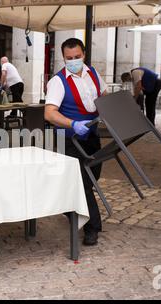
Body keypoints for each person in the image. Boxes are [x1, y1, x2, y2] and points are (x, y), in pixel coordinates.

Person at [44, 38, 107, 246]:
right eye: (68, 58)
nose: (73, 61)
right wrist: (73, 124)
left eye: (77, 57)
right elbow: (49, 113)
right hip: (69, 139)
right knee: (83, 183)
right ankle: (92, 228)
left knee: (92, 177)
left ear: (84, 54)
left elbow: (104, 97)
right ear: (63, 58)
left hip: (92, 137)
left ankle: (67, 206)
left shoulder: (94, 74)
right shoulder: (57, 81)